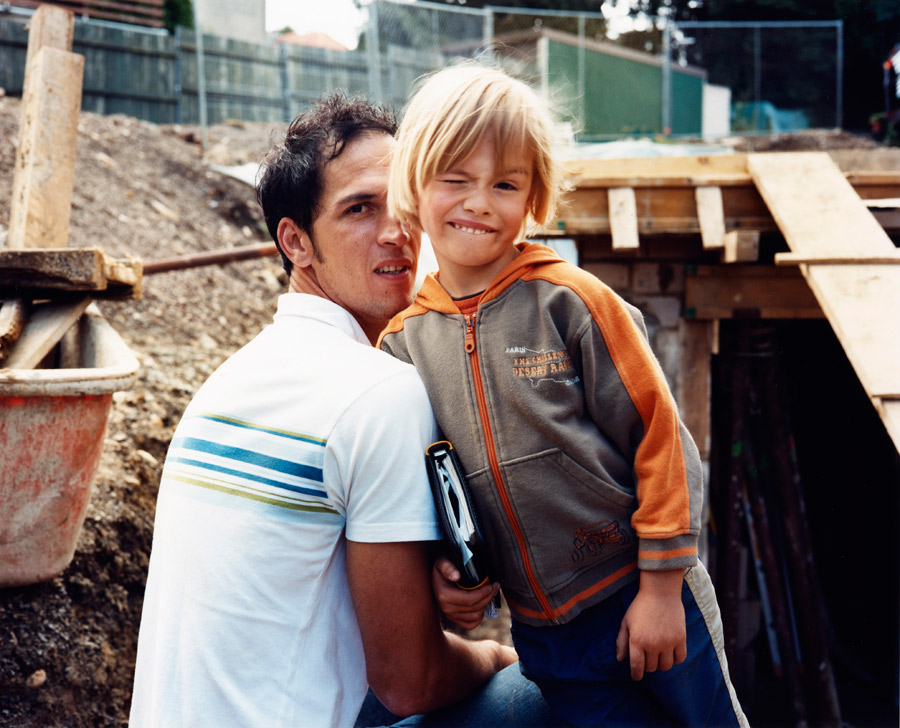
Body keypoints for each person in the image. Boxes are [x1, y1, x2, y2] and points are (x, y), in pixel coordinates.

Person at [129, 92, 545, 728]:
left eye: (402, 201)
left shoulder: (227, 383)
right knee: (565, 687)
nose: (395, 232)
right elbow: (410, 683)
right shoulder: (379, 392)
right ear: (295, 242)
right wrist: (495, 657)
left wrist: (437, 595)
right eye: (359, 209)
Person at [381, 64, 749, 728]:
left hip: (643, 591)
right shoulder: (403, 344)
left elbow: (662, 439)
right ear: (413, 182)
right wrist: (448, 573)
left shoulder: (572, 302)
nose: (479, 202)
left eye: (505, 184)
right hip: (546, 635)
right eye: (455, 180)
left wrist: (663, 589)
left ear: (534, 195)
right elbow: (430, 487)